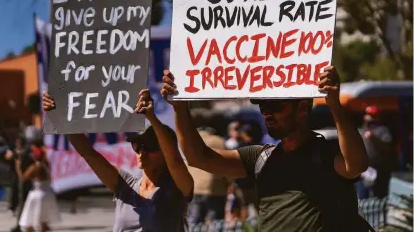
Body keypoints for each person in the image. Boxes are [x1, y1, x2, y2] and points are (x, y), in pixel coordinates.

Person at [161, 66, 369, 232]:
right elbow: (199, 158)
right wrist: (180, 108)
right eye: (263, 106)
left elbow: (356, 165)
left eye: (276, 106)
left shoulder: (325, 153)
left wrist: (334, 105)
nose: (267, 113)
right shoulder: (261, 157)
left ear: (303, 108)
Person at [43, 89, 193, 232]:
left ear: (166, 151)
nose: (142, 152)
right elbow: (88, 153)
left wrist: (152, 118)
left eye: (150, 146)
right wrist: (60, 117)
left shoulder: (177, 189)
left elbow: (175, 161)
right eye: (137, 146)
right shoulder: (125, 186)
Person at [16, 146, 60, 232]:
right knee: (44, 224)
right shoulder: (47, 165)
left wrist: (17, 165)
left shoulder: (36, 166)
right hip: (48, 194)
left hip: (37, 195)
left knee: (29, 224)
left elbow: (23, 178)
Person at [358, 106, 399, 199]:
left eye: (372, 115)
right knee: (362, 197)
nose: (369, 117)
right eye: (368, 115)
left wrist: (374, 139)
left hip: (378, 168)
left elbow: (387, 147)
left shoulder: (382, 130)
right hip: (364, 169)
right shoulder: (363, 130)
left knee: (379, 196)